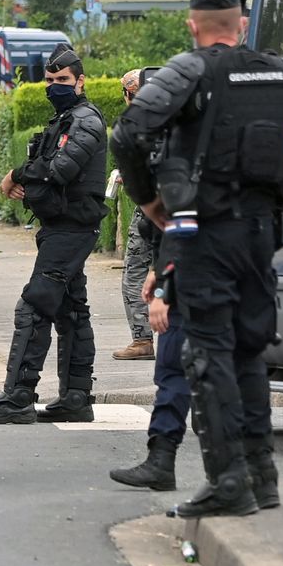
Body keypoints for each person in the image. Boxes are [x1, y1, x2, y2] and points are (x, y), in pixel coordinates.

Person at [110, 0, 283, 516]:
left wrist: (151, 204)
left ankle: (227, 483)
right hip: (259, 235)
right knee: (248, 350)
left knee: (207, 353)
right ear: (241, 23)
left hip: (203, 233)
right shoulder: (281, 71)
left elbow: (128, 134)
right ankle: (260, 476)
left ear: (193, 25)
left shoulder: (188, 70)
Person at [0, 43, 108, 424]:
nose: (54, 86)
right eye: (50, 80)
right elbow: (46, 164)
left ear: (80, 82)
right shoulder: (65, 119)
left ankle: (18, 396)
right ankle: (76, 398)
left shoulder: (85, 120)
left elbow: (59, 169)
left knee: (34, 306)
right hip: (62, 227)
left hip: (72, 229)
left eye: (63, 80)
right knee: (71, 311)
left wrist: (16, 176)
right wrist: (27, 177)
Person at [109, 214, 192, 490]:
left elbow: (184, 227)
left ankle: (163, 462)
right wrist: (158, 271)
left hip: (196, 280)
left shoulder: (180, 177)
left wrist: (164, 291)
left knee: (174, 370)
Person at [114, 68, 158, 363]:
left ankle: (142, 339)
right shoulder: (176, 120)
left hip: (151, 211)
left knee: (134, 273)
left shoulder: (136, 125)